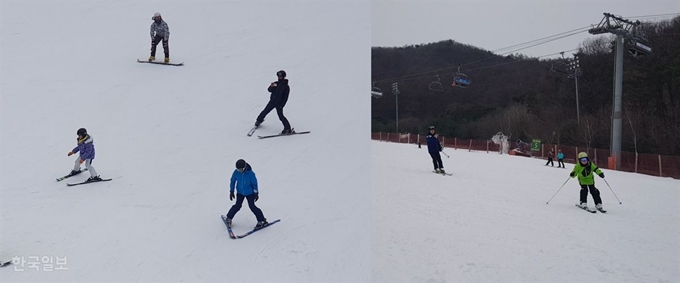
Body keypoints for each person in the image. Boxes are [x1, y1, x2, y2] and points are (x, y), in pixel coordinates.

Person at [225, 159, 268, 230]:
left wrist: (256, 193)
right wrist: (231, 191)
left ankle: (262, 220)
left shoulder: (251, 174)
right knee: (237, 206)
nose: (240, 171)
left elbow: (254, 184)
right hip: (240, 192)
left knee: (252, 206)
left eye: (241, 169)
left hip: (249, 193)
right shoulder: (236, 172)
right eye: (238, 169)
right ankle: (229, 218)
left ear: (245, 167)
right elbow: (233, 181)